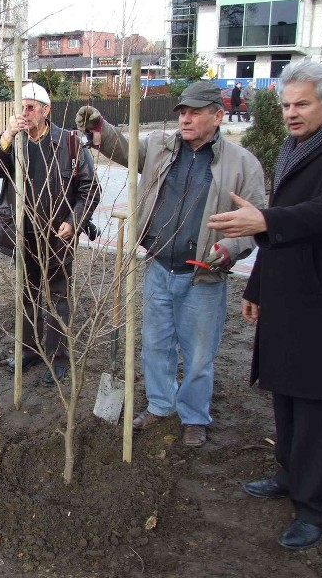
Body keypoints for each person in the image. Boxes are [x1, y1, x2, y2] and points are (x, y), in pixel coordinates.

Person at [208, 60, 322, 551]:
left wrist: (265, 220)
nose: (291, 113)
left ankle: (317, 507)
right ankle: (288, 473)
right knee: (285, 393)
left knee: (318, 407)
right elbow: (273, 228)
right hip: (286, 297)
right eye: (285, 105)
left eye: (301, 104)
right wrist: (258, 286)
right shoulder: (295, 149)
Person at [76, 81, 265, 447]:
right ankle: (161, 405)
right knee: (155, 344)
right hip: (159, 267)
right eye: (182, 112)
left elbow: (255, 221)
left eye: (195, 112)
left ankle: (195, 416)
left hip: (203, 276)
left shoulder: (242, 164)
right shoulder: (162, 147)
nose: (186, 119)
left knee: (198, 354)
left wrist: (229, 248)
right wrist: (99, 127)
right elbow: (125, 148)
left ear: (218, 116)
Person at [0, 82, 101, 386]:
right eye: (21, 107)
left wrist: (74, 221)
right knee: (26, 294)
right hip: (22, 234)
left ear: (46, 110)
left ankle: (59, 357)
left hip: (57, 235)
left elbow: (90, 189)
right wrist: (9, 134)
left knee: (57, 297)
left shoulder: (69, 144)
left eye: (31, 107)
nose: (24, 113)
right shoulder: (15, 142)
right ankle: (29, 350)